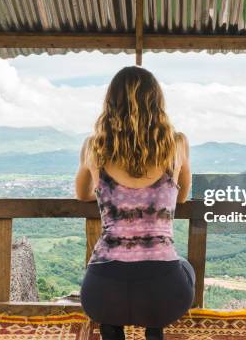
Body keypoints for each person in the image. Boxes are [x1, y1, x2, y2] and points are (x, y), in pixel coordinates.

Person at [75, 66, 195, 340]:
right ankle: (154, 330)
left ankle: (112, 329)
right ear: (158, 103)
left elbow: (82, 193)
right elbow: (184, 195)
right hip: (165, 289)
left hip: (102, 288)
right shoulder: (177, 145)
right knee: (183, 267)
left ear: (110, 104)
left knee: (111, 307)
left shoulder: (94, 147)